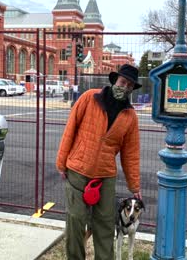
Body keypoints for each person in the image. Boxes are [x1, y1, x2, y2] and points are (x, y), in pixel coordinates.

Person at [56, 64, 142, 260]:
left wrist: (134, 184)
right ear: (115, 80)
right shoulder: (89, 98)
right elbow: (70, 129)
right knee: (76, 220)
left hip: (105, 174)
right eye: (122, 82)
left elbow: (131, 153)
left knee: (104, 225)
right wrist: (62, 162)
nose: (125, 87)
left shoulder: (130, 116)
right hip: (78, 168)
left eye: (129, 85)